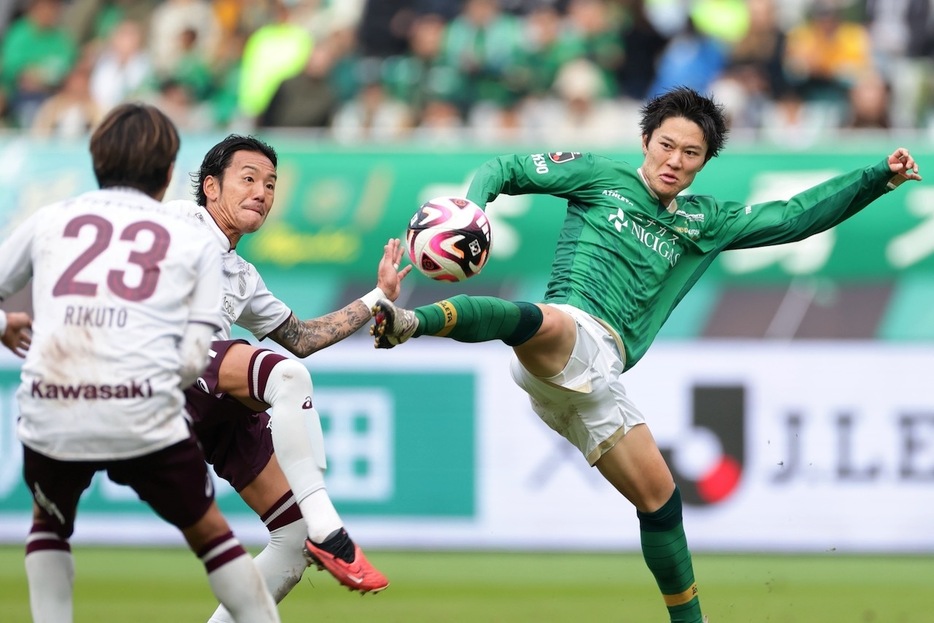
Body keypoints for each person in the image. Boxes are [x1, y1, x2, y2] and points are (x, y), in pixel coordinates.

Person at [370, 86, 922, 623]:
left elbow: (795, 215)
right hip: (567, 337)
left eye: (690, 153)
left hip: (598, 381)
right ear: (645, 139)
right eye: (666, 145)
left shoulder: (705, 221)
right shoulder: (597, 176)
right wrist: (473, 205)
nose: (675, 161)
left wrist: (878, 178)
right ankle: (412, 322)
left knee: (661, 503)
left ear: (704, 162)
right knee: (549, 320)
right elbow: (507, 166)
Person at [0, 103, 280, 622]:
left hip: (51, 404)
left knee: (49, 524)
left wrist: (3, 325)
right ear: (170, 171)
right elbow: (197, 352)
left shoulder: (51, 218)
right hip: (141, 411)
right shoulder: (190, 240)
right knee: (211, 535)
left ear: (96, 157)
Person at [166, 134, 411, 620]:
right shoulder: (178, 221)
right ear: (210, 188)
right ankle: (330, 528)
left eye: (271, 184)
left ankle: (313, 530)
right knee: (287, 376)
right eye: (249, 179)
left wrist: (378, 296)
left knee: (292, 538)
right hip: (169, 364)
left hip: (209, 399)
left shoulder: (243, 275)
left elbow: (301, 335)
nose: (262, 192)